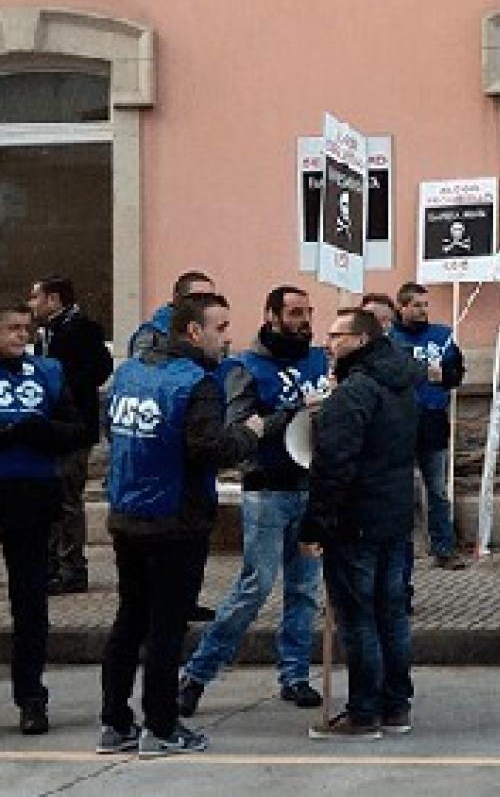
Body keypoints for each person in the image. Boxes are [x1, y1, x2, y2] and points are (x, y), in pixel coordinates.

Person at [99, 293, 262, 758]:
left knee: (130, 619)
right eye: (220, 327)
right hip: (175, 520)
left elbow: (113, 430)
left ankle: (114, 722)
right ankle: (161, 726)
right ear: (193, 331)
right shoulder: (197, 383)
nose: (227, 337)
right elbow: (206, 449)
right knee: (166, 627)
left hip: (127, 512)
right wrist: (248, 434)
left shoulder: (130, 373)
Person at [178, 286, 331, 717]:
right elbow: (239, 428)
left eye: (308, 312)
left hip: (309, 487)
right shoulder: (246, 368)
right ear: (272, 316)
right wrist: (295, 409)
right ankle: (198, 673)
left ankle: (294, 675)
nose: (304, 320)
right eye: (295, 313)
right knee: (255, 587)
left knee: (304, 589)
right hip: (267, 489)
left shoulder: (319, 360)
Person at [299, 308, 423, 740]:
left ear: (361, 340)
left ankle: (365, 711)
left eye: (337, 335)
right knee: (391, 614)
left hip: (356, 519)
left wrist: (315, 526)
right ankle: (396, 705)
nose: (328, 343)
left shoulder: (354, 393)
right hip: (393, 515)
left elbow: (333, 466)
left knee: (358, 617)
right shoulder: (402, 385)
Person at [0, 303, 88, 734]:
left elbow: (77, 429)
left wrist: (43, 431)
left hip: (32, 498)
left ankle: (31, 696)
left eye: (26, 328)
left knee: (31, 604)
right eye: (12, 329)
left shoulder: (47, 373)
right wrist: (9, 433)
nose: (22, 335)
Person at [28, 275, 113, 595]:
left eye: (36, 297)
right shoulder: (45, 332)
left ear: (53, 299)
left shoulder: (82, 330)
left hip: (74, 428)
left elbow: (99, 370)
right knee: (50, 497)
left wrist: (63, 389)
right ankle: (50, 564)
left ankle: (72, 567)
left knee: (67, 499)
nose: (32, 303)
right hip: (50, 428)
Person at [390, 282, 467, 569]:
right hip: (399, 422)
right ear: (402, 307)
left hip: (432, 420)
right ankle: (402, 549)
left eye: (425, 305)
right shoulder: (390, 339)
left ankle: (443, 547)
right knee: (401, 489)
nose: (422, 310)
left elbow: (457, 373)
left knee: (436, 488)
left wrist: (444, 375)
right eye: (416, 305)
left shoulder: (442, 336)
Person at [127, 271, 215, 358]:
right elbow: (139, 366)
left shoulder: (214, 332)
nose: (205, 303)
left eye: (211, 298)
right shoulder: (151, 335)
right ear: (177, 298)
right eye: (198, 297)